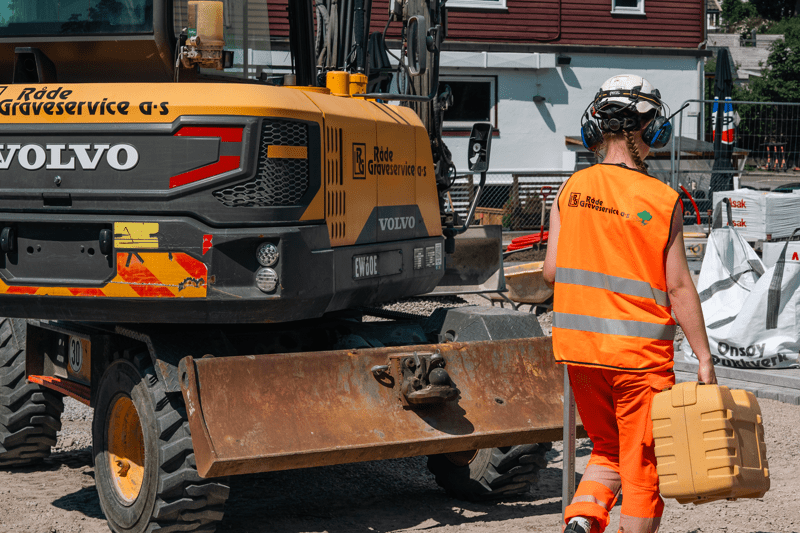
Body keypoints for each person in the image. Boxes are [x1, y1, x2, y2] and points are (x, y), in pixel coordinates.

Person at [542, 74, 717, 533]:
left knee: (605, 450)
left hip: (580, 352)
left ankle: (581, 520)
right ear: (651, 128)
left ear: (595, 126)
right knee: (642, 469)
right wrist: (703, 357)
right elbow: (678, 288)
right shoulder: (662, 200)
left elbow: (551, 272)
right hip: (638, 359)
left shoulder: (571, 189)